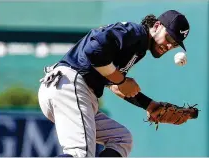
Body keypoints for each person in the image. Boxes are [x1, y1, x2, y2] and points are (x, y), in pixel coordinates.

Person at [38, 10, 198, 157]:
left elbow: (115, 84)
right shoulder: (135, 32)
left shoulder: (139, 47)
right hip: (71, 85)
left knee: (121, 139)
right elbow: (93, 51)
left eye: (175, 44)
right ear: (156, 26)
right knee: (80, 154)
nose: (169, 46)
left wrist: (149, 105)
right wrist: (121, 80)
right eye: (169, 37)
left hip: (67, 88)